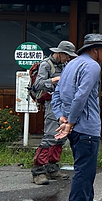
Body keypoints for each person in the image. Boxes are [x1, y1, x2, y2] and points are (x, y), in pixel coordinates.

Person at [53, 33, 102, 201]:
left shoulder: (71, 64)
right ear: (96, 50)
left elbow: (57, 93)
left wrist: (62, 117)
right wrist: (71, 121)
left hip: (74, 126)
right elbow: (81, 96)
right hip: (86, 126)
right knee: (84, 170)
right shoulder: (92, 66)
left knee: (86, 168)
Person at [29, 40, 76, 186]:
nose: (68, 58)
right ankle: (38, 171)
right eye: (67, 55)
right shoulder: (45, 65)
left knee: (61, 138)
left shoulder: (65, 64)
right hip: (51, 104)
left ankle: (52, 167)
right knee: (50, 135)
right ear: (59, 52)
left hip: (65, 103)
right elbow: (37, 84)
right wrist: (55, 79)